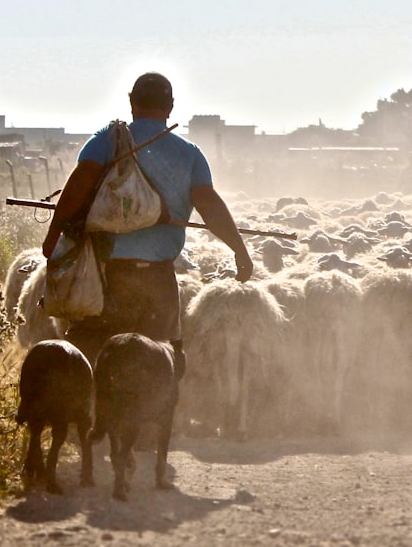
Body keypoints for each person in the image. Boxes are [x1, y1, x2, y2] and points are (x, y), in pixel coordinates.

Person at [42, 71, 254, 365]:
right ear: (170, 107)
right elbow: (209, 204)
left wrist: (53, 237)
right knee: (162, 365)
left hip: (105, 280)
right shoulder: (189, 154)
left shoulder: (107, 141)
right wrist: (239, 250)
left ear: (132, 103)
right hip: (156, 283)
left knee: (88, 362)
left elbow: (80, 183)